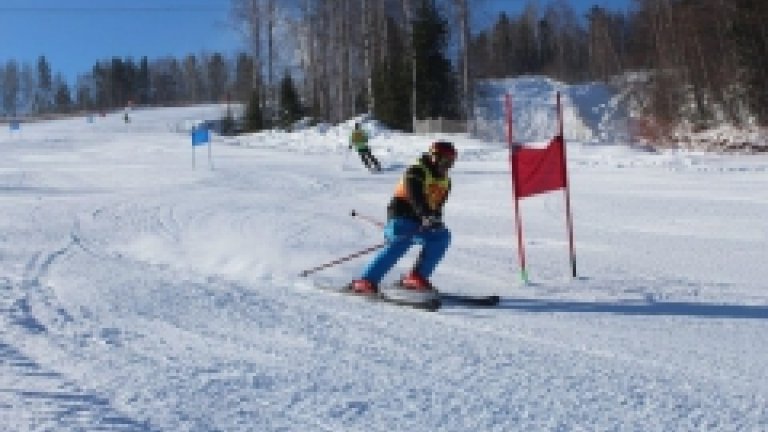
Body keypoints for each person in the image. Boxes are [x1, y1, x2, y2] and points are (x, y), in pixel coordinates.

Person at [349, 141, 457, 295]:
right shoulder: (417, 171)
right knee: (401, 242)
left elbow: (438, 206)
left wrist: (435, 219)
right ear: (434, 157)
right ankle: (366, 280)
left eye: (451, 162)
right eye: (445, 161)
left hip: (422, 220)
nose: (447, 166)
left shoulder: (446, 181)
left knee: (441, 236)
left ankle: (416, 277)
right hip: (401, 215)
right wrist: (425, 214)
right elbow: (415, 196)